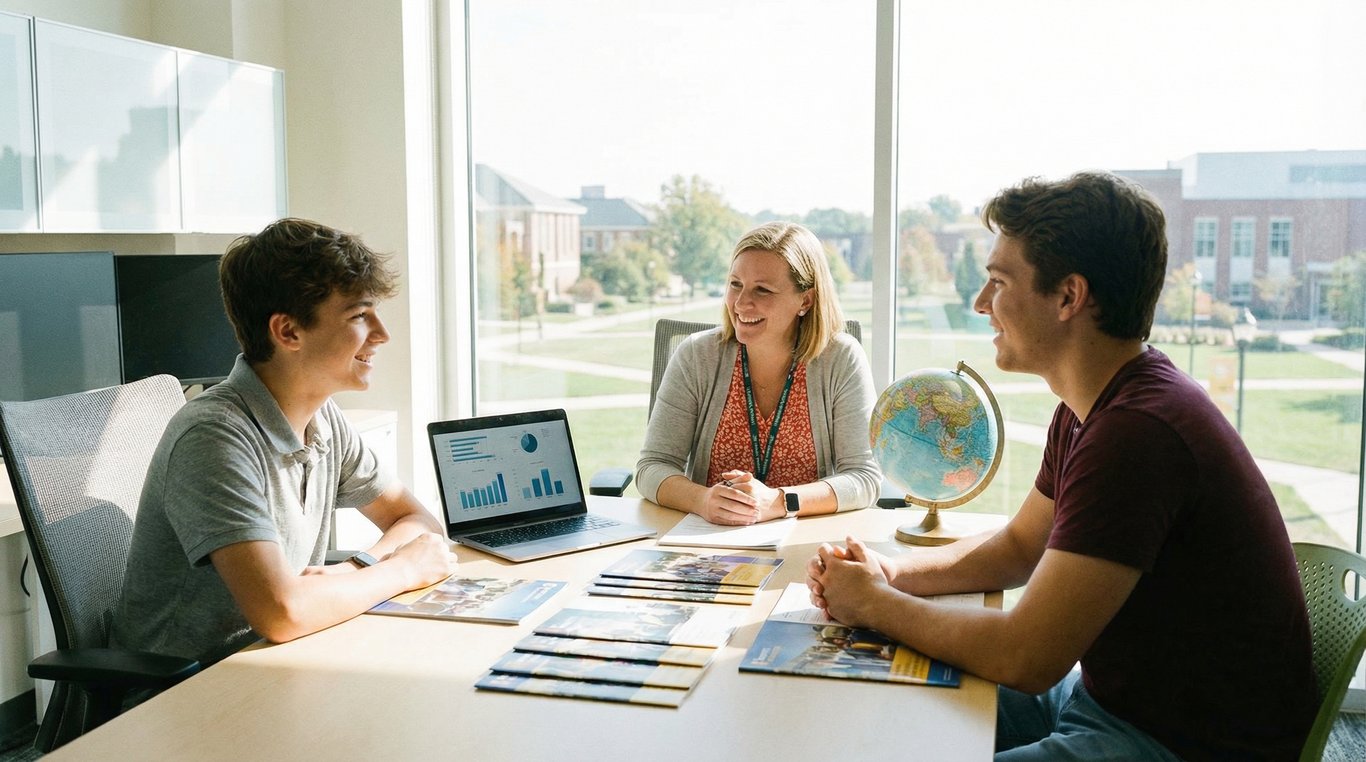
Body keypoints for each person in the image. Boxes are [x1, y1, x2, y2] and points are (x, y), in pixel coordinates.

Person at [806, 172, 1317, 761]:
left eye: (998, 281)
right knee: (885, 713)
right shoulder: (1092, 407)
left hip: (1183, 743)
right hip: (1108, 701)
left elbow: (1025, 657)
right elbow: (1021, 546)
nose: (980, 303)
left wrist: (872, 603)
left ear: (1070, 296)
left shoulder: (1139, 434)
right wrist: (890, 574)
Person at [113, 218, 457, 667]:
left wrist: (359, 567)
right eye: (358, 315)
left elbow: (416, 520)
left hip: (280, 658)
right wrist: (403, 569)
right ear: (288, 332)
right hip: (188, 690)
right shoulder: (214, 437)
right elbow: (281, 613)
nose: (382, 333)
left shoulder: (322, 417)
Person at [635, 221, 880, 525]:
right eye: (735, 284)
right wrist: (702, 500)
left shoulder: (840, 359)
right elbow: (652, 467)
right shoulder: (697, 356)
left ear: (805, 300)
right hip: (710, 541)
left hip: (802, 542)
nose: (740, 303)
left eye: (762, 290)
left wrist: (778, 502)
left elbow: (863, 478)